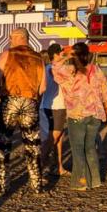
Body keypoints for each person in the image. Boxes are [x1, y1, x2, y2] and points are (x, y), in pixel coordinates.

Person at [0, 28, 46, 196]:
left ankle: (2, 185)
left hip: (10, 101)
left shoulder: (7, 54)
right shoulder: (39, 58)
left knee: (4, 144)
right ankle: (37, 185)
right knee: (32, 145)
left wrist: (0, 93)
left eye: (11, 37)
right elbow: (43, 88)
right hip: (30, 102)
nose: (9, 40)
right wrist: (34, 102)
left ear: (19, 37)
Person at [52, 42, 107, 191]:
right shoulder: (96, 70)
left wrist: (66, 55)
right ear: (87, 55)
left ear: (74, 56)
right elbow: (105, 91)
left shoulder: (69, 71)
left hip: (77, 115)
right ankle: (94, 180)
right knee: (90, 148)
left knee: (78, 149)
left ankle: (81, 181)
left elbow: (54, 67)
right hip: (95, 115)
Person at [39, 44, 69, 177]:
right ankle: (39, 166)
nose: (63, 54)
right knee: (51, 139)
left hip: (53, 107)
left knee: (59, 138)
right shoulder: (52, 69)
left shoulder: (47, 68)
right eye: (61, 52)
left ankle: (59, 167)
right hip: (53, 107)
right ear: (56, 55)